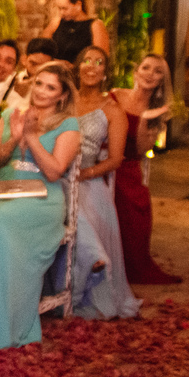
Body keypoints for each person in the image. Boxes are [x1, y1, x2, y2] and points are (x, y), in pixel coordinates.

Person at [0, 62, 81, 349]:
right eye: (39, 83)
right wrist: (14, 138)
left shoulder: (68, 125)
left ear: (62, 95)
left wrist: (30, 136)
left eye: (50, 88)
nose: (41, 91)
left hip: (41, 199)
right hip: (3, 190)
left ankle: (3, 325)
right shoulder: (9, 114)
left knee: (0, 222)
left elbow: (54, 171)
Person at [70, 46, 141, 318]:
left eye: (98, 62)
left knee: (82, 218)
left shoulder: (112, 111)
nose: (91, 66)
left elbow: (114, 160)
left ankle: (87, 292)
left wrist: (83, 175)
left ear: (105, 73)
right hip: (55, 176)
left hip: (88, 182)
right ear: (77, 67)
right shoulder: (64, 100)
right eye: (86, 60)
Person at [110, 53, 181, 285]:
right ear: (136, 72)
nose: (150, 74)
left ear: (162, 80)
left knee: (137, 205)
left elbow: (141, 150)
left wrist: (144, 119)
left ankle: (131, 266)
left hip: (128, 167)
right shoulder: (114, 96)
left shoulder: (158, 111)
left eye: (158, 71)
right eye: (146, 68)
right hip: (103, 162)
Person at [41, 0, 110, 64]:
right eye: (59, 9)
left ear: (78, 5)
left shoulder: (95, 25)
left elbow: (101, 58)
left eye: (65, 8)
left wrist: (75, 66)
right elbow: (42, 49)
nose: (61, 12)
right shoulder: (56, 23)